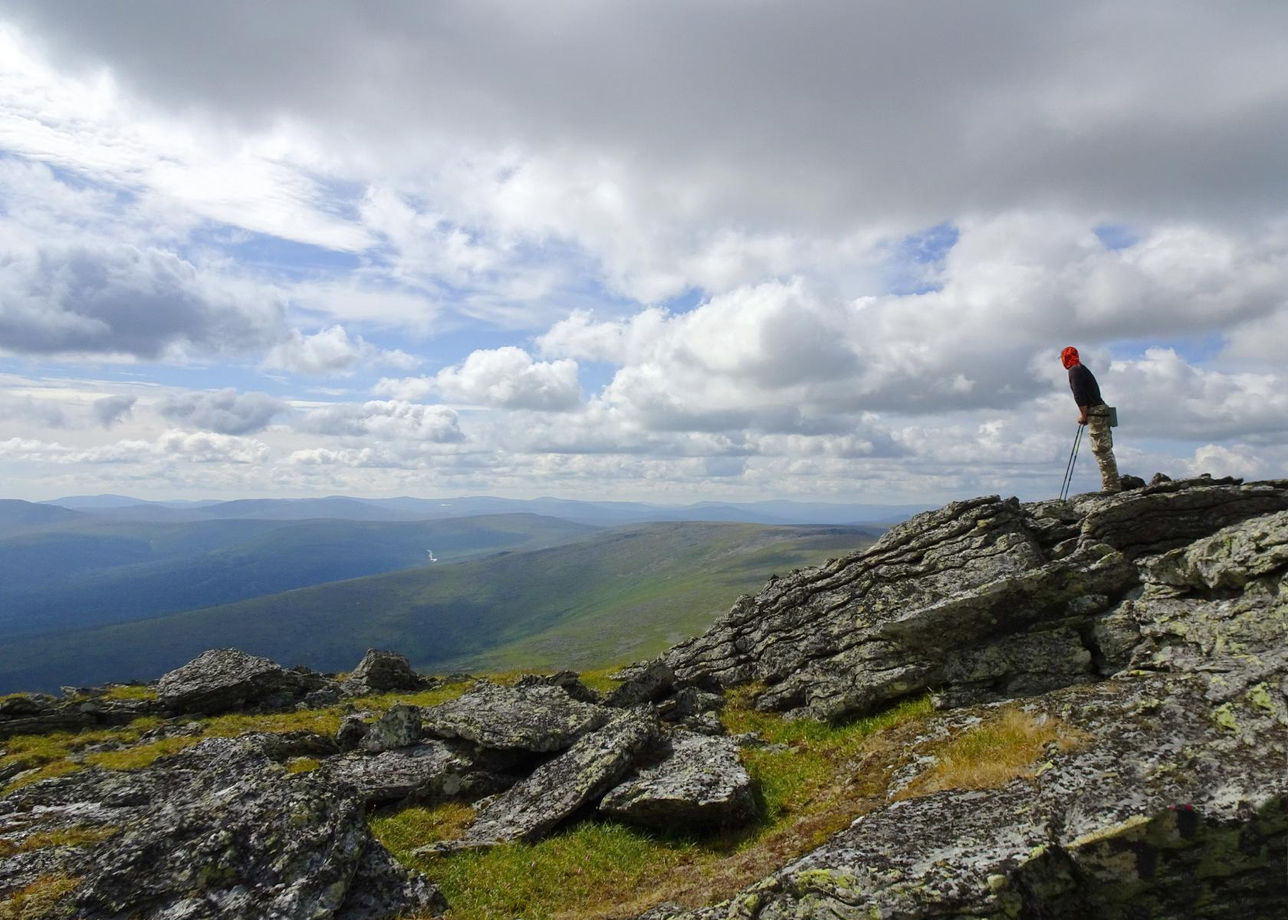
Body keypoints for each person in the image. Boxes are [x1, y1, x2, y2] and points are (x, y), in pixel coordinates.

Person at [1060, 346, 1120, 493]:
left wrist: (1083, 415)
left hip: (1095, 413)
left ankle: (1111, 486)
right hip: (1101, 410)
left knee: (1101, 449)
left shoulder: (1074, 371)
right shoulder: (1082, 369)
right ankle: (1113, 482)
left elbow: (1079, 396)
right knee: (1105, 448)